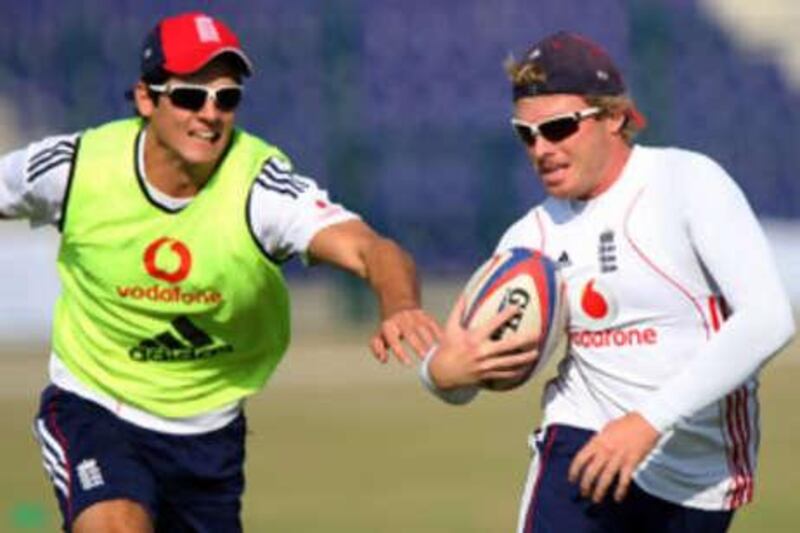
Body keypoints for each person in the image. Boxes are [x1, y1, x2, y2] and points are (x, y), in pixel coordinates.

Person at [0, 11, 440, 533]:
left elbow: (373, 250)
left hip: (208, 433)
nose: (210, 114)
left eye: (225, 98)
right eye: (189, 95)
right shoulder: (76, 168)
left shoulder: (260, 187)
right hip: (95, 403)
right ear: (147, 98)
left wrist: (400, 305)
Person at [420, 31, 795, 533]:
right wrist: (442, 374)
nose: (541, 149)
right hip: (580, 450)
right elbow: (465, 375)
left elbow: (767, 320)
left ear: (615, 117)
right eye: (525, 135)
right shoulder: (529, 238)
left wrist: (648, 421)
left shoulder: (687, 182)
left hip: (696, 476)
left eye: (557, 128)